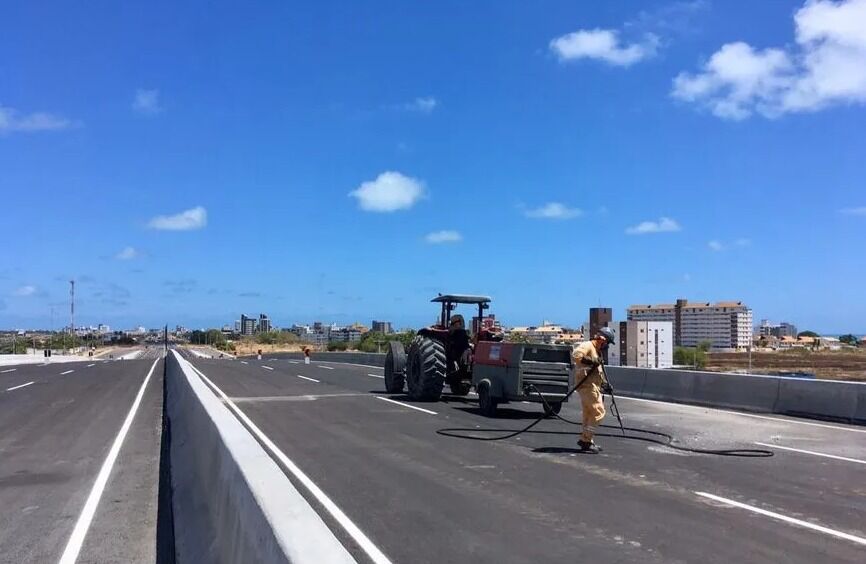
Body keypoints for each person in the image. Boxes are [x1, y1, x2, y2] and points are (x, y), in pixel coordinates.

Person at [572, 327, 616, 454]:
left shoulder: (597, 351)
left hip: (592, 386)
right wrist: (592, 361)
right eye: (607, 343)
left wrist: (605, 384)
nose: (607, 346)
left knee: (589, 414)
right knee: (598, 412)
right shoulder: (588, 345)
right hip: (587, 386)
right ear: (602, 339)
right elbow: (576, 355)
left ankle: (587, 440)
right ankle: (586, 439)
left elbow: (598, 372)